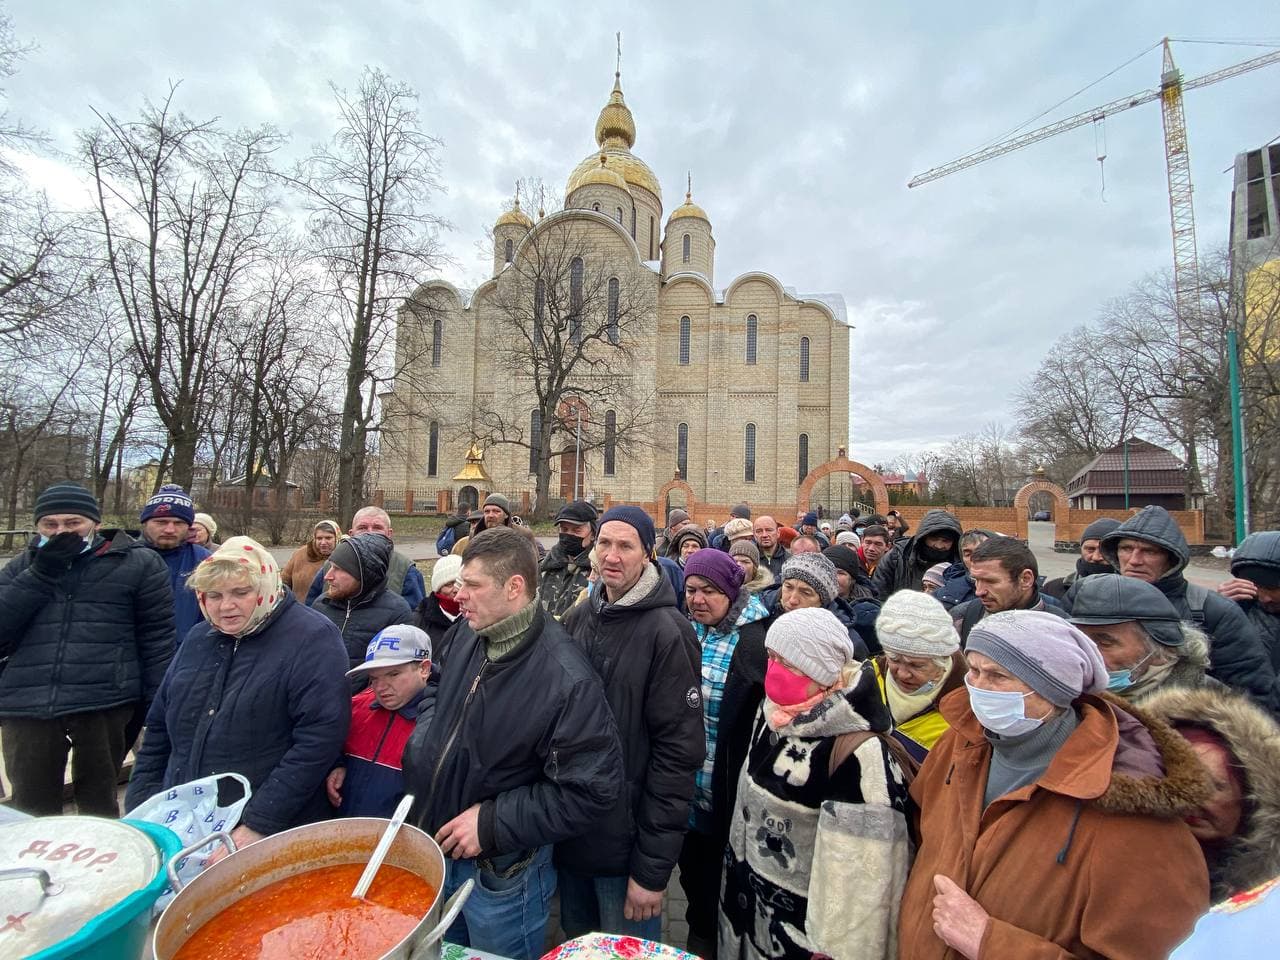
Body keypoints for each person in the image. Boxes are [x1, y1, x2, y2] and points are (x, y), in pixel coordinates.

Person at [898, 611, 1212, 959]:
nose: (979, 688)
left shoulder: (1132, 816)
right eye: (973, 669)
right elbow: (925, 830)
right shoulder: (960, 742)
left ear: (1053, 691)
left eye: (999, 676)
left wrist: (991, 943)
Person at [402, 527, 624, 960]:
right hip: (435, 847)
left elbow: (590, 790)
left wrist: (492, 822)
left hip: (501, 876)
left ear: (514, 587)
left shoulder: (566, 679)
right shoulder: (469, 630)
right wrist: (426, 739)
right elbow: (438, 685)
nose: (458, 595)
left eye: (472, 585)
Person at [125, 536, 351, 853]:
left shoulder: (311, 637)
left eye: (240, 593)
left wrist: (259, 823)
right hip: (185, 820)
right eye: (213, 596)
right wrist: (145, 810)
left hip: (268, 828)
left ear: (265, 588)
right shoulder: (198, 638)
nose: (225, 606)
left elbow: (319, 739)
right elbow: (161, 729)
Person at [719, 608, 911, 960]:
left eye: (788, 663)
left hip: (797, 941)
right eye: (771, 657)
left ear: (822, 672)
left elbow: (860, 894)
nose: (774, 670)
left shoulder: (858, 753)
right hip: (745, 924)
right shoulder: (774, 712)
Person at [558, 506, 704, 941]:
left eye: (626, 546)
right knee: (575, 946)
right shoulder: (578, 618)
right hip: (571, 837)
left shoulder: (668, 632)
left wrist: (652, 871)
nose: (612, 556)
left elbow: (678, 757)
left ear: (648, 553)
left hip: (626, 854)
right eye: (604, 543)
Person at [0, 482, 174, 817]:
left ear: (93, 522)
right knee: (31, 805)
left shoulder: (137, 563)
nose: (61, 532)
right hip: (29, 702)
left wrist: (158, 703)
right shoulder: (23, 567)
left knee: (98, 801)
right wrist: (41, 573)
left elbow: (156, 637)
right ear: (38, 527)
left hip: (104, 698)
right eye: (50, 525)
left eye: (72, 523)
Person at [679, 549, 770, 959]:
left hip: (731, 796)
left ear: (732, 592)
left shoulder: (758, 642)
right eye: (691, 590)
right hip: (685, 794)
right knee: (695, 882)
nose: (698, 599)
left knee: (729, 887)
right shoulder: (687, 631)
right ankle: (699, 939)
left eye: (710, 591)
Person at [1101, 505, 1278, 711]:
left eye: (1149, 551)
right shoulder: (1090, 600)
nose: (1134, 560)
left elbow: (1255, 695)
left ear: (1172, 558)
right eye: (1126, 548)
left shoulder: (1214, 610)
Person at [1142, 685, 1280, 901]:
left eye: (1212, 785)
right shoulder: (1122, 855)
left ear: (1251, 801)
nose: (1191, 796)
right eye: (1173, 777)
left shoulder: (1268, 898)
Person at [327, 624, 432, 818]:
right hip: (343, 833)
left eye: (393, 674)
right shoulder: (356, 706)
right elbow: (325, 741)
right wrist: (336, 764)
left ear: (424, 668)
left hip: (404, 841)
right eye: (374, 678)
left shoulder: (442, 721)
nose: (381, 687)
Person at [1069, 574, 1212, 699]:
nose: (1086, 653)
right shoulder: (1066, 695)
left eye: (1105, 642)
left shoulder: (1211, 712)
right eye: (1080, 640)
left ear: (1161, 651)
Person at [872, 590, 966, 763]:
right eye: (894, 659)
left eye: (916, 665)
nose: (902, 673)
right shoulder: (866, 679)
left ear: (942, 661)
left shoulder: (965, 713)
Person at [312, 533, 414, 686]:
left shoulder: (397, 612)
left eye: (338, 569)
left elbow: (398, 674)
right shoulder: (321, 604)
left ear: (363, 574)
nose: (328, 576)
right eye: (330, 567)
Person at [304, 506, 426, 609]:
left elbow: (415, 620)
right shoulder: (330, 566)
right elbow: (311, 612)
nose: (369, 533)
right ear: (351, 534)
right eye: (362, 528)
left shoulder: (405, 570)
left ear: (389, 534)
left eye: (377, 528)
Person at [950, 536, 1067, 644]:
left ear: (1025, 579)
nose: (979, 592)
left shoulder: (1064, 629)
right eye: (976, 580)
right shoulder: (961, 618)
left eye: (990, 581)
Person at [138, 483, 210, 645]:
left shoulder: (205, 561)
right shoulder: (123, 558)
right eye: (161, 522)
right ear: (145, 523)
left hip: (187, 654)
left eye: (178, 523)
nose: (170, 529)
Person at [762, 552, 873, 656]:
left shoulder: (844, 641)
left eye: (806, 593)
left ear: (823, 601)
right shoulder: (759, 612)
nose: (792, 600)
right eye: (788, 587)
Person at [1218, 530, 1280, 671]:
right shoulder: (1240, 606)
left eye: (1272, 588)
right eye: (1255, 587)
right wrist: (1217, 609)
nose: (1264, 598)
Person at [871, 509, 961, 599]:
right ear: (923, 537)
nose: (939, 546)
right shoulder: (896, 557)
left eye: (946, 541)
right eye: (934, 539)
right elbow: (878, 596)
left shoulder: (960, 565)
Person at [540, 500, 598, 619]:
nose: (568, 535)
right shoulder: (545, 566)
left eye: (576, 531)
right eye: (564, 530)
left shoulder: (597, 571)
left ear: (592, 534)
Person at [1043, 517, 1120, 604]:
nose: (1096, 557)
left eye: (1105, 550)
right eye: (1090, 549)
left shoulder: (1133, 594)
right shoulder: (1053, 589)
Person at [932, 528, 995, 610]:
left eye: (982, 552)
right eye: (968, 554)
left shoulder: (1013, 588)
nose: (974, 558)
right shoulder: (943, 595)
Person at [281, 519, 341, 603]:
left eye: (328, 538)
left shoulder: (343, 558)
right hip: (298, 610)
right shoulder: (300, 554)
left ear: (337, 538)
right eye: (319, 538)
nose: (323, 542)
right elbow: (283, 582)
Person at [415, 553, 463, 642]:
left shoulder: (479, 616)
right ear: (438, 589)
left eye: (459, 583)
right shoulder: (419, 620)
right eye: (449, 584)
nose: (456, 589)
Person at [753, 515, 787, 579]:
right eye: (759, 531)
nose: (764, 535)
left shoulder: (789, 560)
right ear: (754, 535)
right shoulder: (749, 559)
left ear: (778, 533)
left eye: (769, 530)